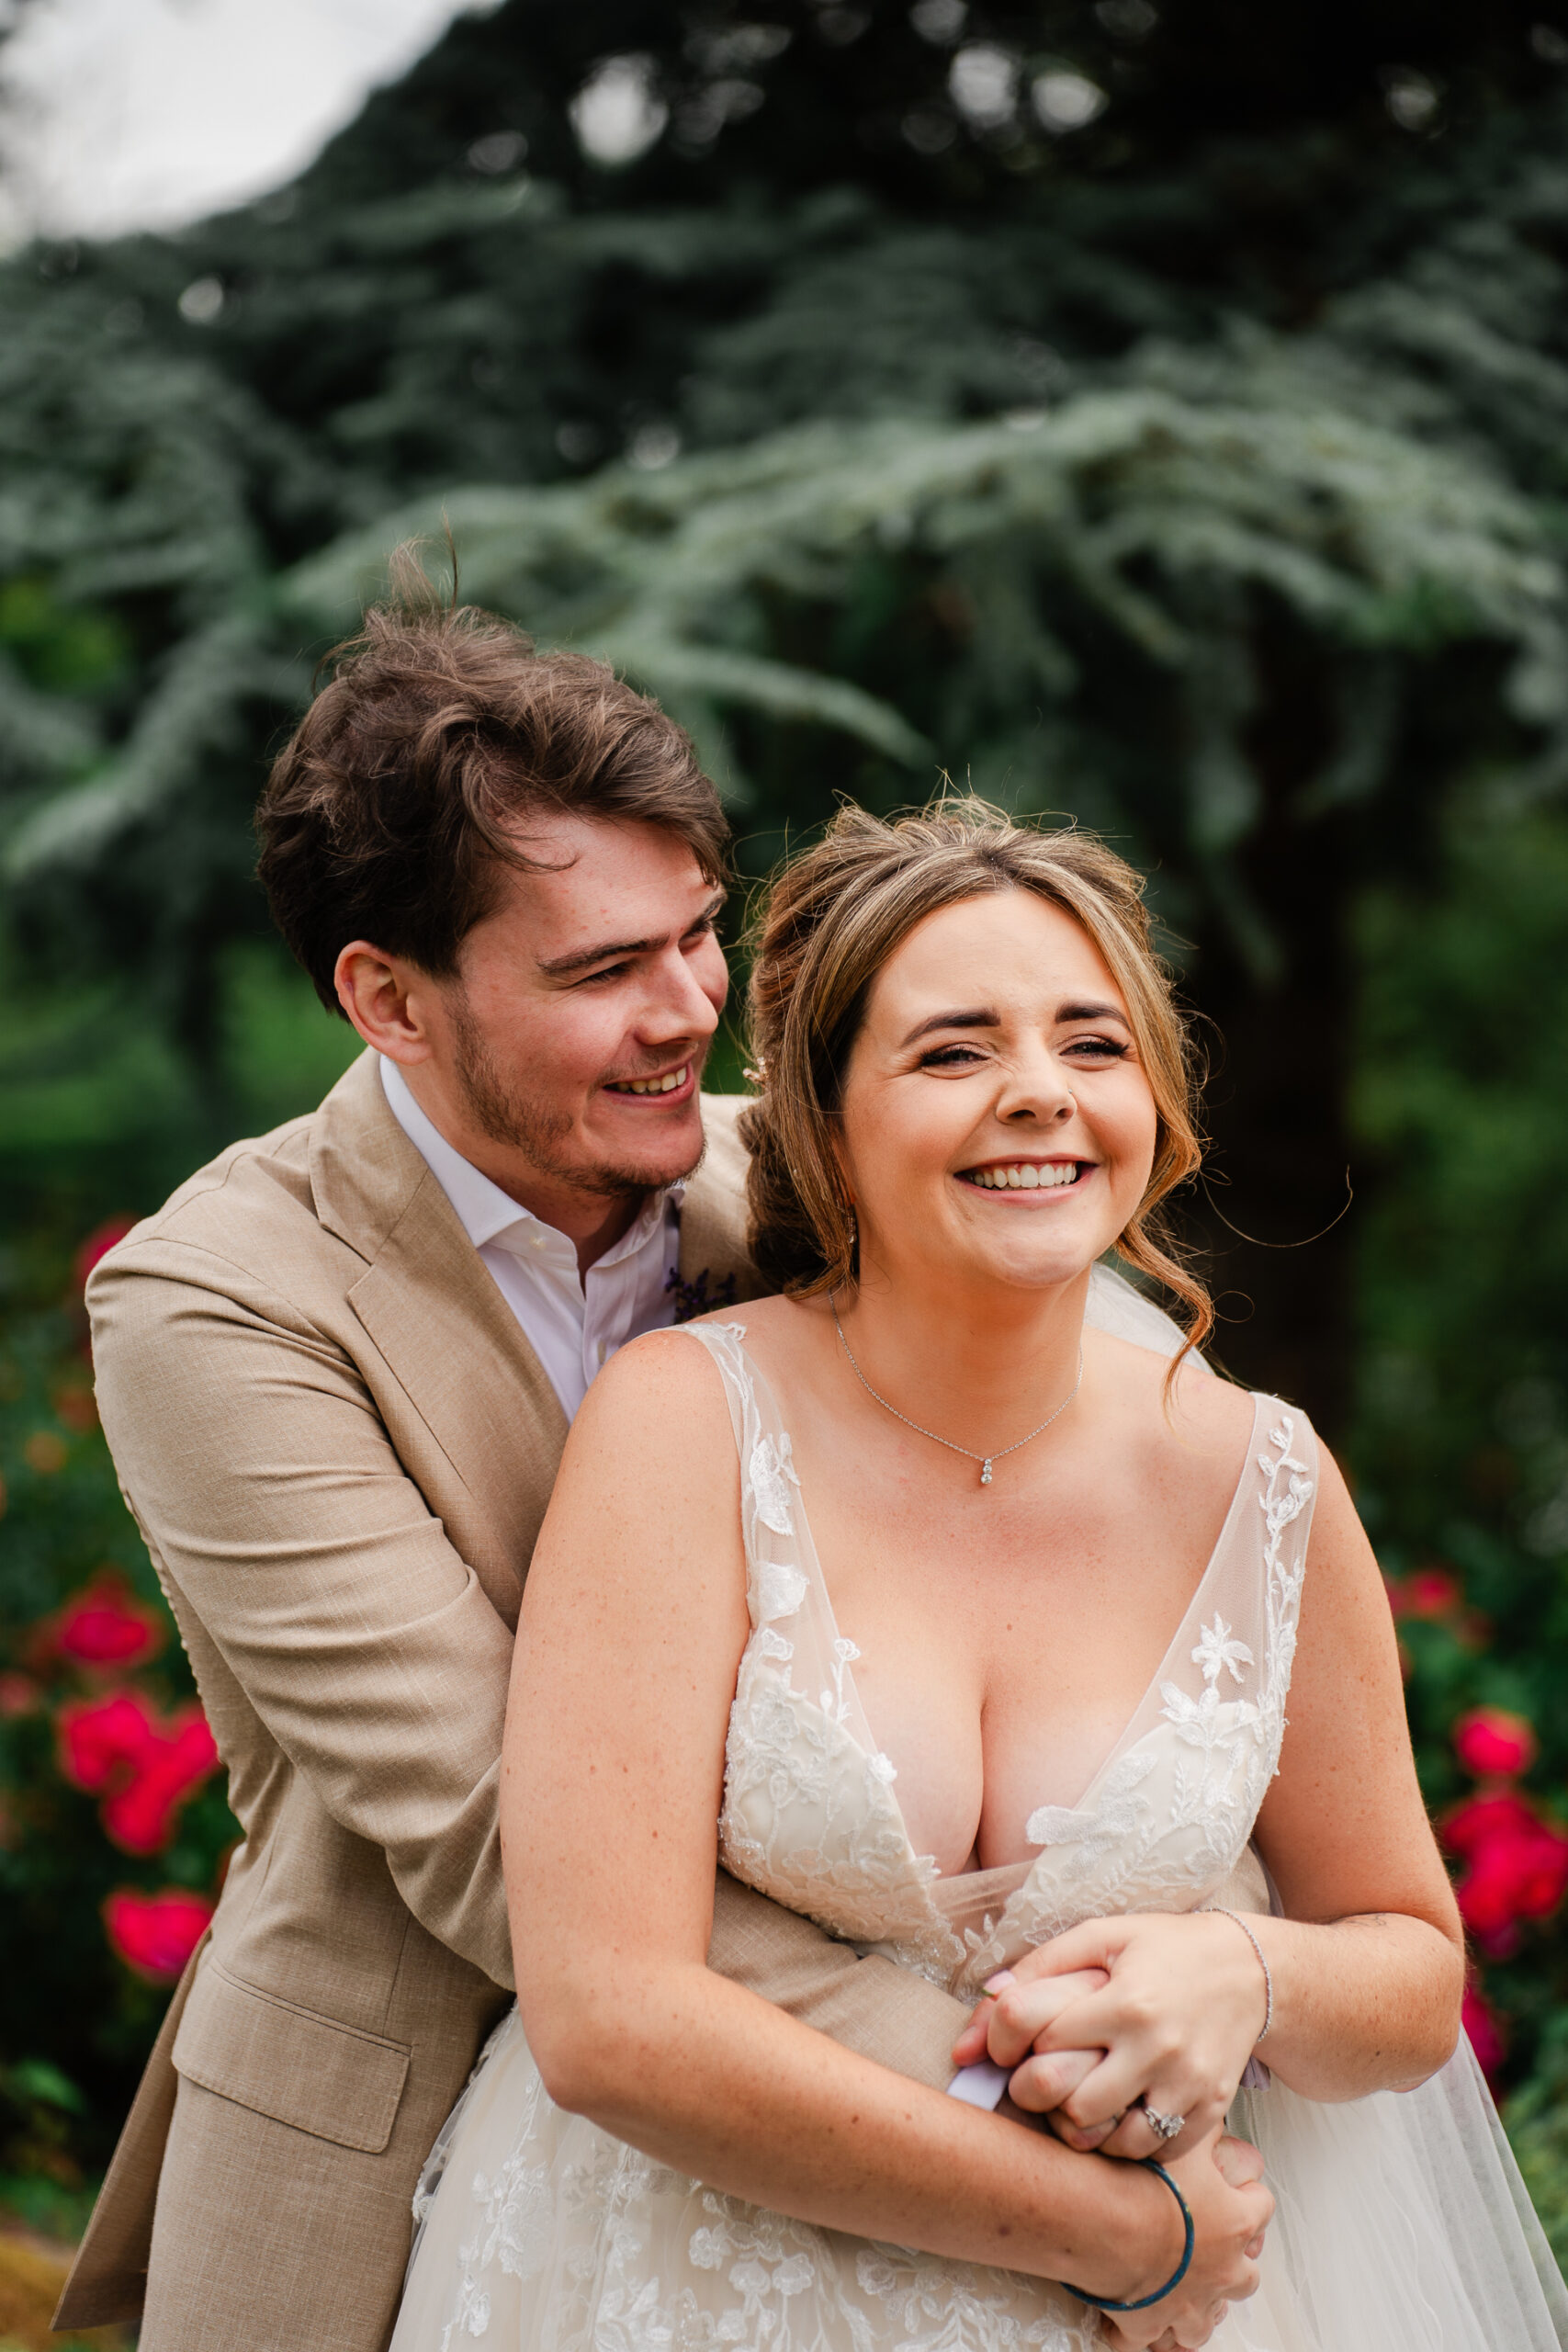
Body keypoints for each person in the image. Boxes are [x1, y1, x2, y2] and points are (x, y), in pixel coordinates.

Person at [55, 588, 1204, 2352]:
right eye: (601, 973)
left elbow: (1108, 1588)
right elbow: (498, 1842)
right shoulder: (219, 1303)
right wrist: (1042, 2129)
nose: (690, 1013)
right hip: (406, 2155)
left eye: (692, 935)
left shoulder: (815, 1174)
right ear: (388, 999)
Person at [392, 801, 1568, 2352]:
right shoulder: (687, 1425)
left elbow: (1410, 1975)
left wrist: (1247, 1973)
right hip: (697, 2285)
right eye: (952, 1054)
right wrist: (1117, 2230)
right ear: (825, 1115)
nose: (1039, 1099)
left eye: (1092, 1046)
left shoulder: (1260, 1478)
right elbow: (609, 2017)